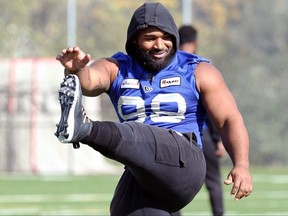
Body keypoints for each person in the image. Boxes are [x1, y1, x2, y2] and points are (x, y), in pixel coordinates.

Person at [55, 2, 253, 215]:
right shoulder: (118, 68)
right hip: (143, 172)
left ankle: (86, 129)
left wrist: (241, 164)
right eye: (150, 38)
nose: (159, 45)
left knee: (139, 132)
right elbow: (90, 81)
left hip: (184, 161)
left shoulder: (198, 70)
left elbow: (229, 119)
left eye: (166, 37)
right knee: (123, 210)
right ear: (135, 41)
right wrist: (78, 70)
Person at [178, 24, 226, 216]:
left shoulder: (166, 65)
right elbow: (212, 106)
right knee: (213, 180)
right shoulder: (201, 66)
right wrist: (218, 139)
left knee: (172, 180)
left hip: (174, 134)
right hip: (201, 132)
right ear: (195, 43)